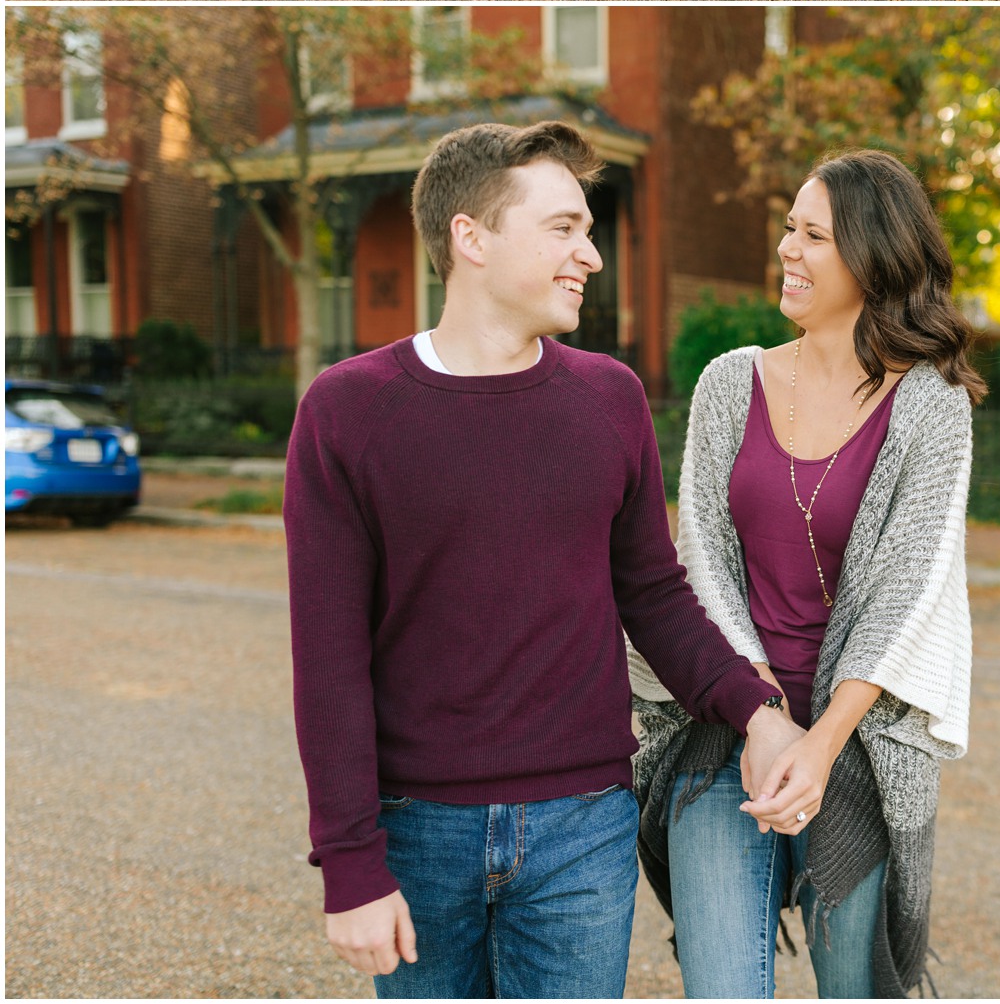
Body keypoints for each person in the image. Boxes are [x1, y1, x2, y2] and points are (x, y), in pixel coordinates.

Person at [284, 120, 804, 1000]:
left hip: (583, 830)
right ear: (471, 236)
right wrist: (350, 866)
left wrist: (760, 713)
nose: (590, 255)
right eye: (563, 227)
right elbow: (329, 659)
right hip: (417, 836)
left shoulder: (609, 398)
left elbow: (655, 596)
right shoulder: (346, 411)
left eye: (589, 230)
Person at [630, 149, 983, 999]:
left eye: (813, 234)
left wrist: (818, 746)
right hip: (725, 733)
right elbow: (701, 561)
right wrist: (762, 720)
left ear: (872, 256)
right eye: (789, 227)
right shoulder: (728, 383)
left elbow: (909, 589)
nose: (788, 248)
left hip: (856, 749)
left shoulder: (931, 405)